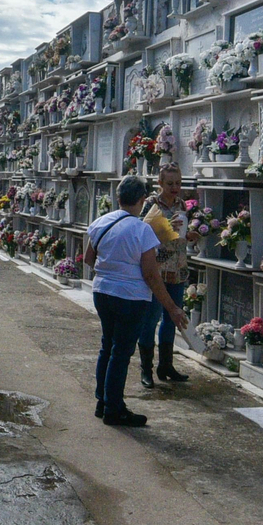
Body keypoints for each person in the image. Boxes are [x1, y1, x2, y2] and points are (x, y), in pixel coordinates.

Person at [84, 175, 189, 427]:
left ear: (118, 197)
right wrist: (173, 308)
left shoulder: (101, 222)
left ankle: (103, 401)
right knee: (121, 352)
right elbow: (151, 275)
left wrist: (112, 269)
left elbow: (88, 258)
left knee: (107, 347)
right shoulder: (141, 229)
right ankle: (114, 409)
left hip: (102, 292)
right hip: (130, 297)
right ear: (142, 200)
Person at [138, 164, 198, 387]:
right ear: (160, 184)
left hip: (178, 268)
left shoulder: (181, 204)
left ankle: (166, 365)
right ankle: (146, 369)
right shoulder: (151, 204)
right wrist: (165, 226)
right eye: (170, 183)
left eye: (178, 183)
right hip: (157, 270)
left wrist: (189, 234)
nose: (175, 188)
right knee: (151, 318)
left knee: (172, 319)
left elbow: (178, 234)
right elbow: (140, 230)